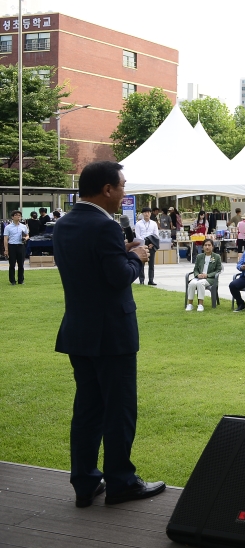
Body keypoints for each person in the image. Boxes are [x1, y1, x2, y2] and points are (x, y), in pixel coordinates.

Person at [53, 160, 165, 507]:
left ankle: (85, 482)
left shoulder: (65, 224)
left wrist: (122, 251)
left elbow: (91, 266)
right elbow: (117, 276)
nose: (124, 192)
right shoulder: (105, 227)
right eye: (122, 186)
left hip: (78, 331)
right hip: (111, 334)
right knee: (118, 410)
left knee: (87, 409)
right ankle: (121, 481)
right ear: (107, 190)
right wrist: (138, 257)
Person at [186, 238, 222, 311]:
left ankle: (200, 305)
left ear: (212, 247)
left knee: (200, 283)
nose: (207, 247)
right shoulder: (199, 256)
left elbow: (218, 270)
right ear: (203, 247)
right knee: (192, 283)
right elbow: (195, 269)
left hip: (210, 279)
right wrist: (197, 275)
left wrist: (207, 275)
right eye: (205, 245)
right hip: (199, 277)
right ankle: (190, 304)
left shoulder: (217, 257)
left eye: (209, 245)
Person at [133, 208, 159, 286]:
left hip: (151, 244)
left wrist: (152, 244)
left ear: (150, 213)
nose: (147, 214)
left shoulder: (154, 223)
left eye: (148, 212)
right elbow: (138, 235)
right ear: (142, 214)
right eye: (145, 212)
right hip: (142, 244)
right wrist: (144, 244)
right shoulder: (138, 224)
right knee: (141, 263)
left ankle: (151, 280)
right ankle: (141, 280)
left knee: (151, 264)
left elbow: (156, 235)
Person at [4, 210, 29, 285]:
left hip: (21, 246)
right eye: (16, 215)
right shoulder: (8, 227)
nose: (18, 217)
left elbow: (27, 235)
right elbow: (5, 238)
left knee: (21, 264)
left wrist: (26, 238)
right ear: (12, 217)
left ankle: (21, 280)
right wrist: (6, 249)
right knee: (12, 264)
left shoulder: (23, 226)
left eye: (19, 215)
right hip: (12, 246)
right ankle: (12, 281)